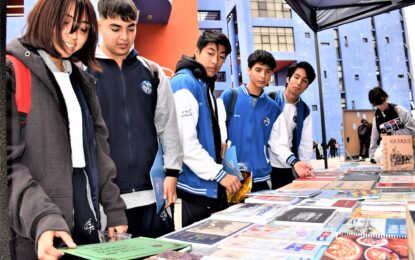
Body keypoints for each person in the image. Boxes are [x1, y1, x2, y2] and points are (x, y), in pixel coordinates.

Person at [6, 0, 128, 259]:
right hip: (33, 229)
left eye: (83, 29)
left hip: (85, 218)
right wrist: (42, 216)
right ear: (45, 17)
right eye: (66, 25)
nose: (75, 37)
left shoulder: (81, 80)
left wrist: (114, 208)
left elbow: (99, 149)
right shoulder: (12, 71)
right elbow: (8, 164)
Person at [88, 0, 183, 238]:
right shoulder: (84, 73)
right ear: (99, 25)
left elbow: (168, 126)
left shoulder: (152, 72)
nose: (125, 36)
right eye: (116, 28)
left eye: (131, 28)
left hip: (153, 195)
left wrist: (172, 173)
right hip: (107, 201)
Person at [171, 30, 241, 227]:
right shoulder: (185, 82)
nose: (215, 61)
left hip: (206, 186)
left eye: (221, 57)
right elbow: (185, 144)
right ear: (197, 51)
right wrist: (219, 174)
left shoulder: (203, 84)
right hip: (194, 188)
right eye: (210, 53)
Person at [219, 50, 281, 192]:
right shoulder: (230, 96)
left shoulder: (273, 108)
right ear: (249, 70)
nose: (262, 76)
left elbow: (276, 142)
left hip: (262, 177)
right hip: (233, 176)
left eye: (267, 72)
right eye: (258, 70)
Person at [268, 61, 316, 189]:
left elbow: (305, 144)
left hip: (290, 166)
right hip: (267, 165)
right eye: (296, 77)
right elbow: (274, 141)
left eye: (304, 80)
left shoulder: (304, 110)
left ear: (307, 86)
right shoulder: (270, 101)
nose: (299, 82)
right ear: (288, 79)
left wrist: (304, 167)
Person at [368, 87, 415, 163]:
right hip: (387, 147)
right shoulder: (377, 116)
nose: (381, 107)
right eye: (377, 105)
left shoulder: (399, 110)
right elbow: (374, 137)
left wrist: (396, 132)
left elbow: (413, 130)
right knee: (378, 156)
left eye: (382, 103)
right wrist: (372, 156)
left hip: (403, 145)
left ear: (386, 98)